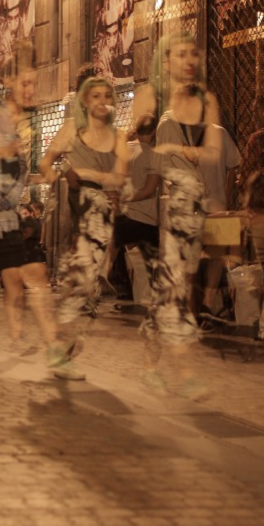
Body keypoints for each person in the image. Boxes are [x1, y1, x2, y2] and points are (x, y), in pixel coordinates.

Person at [0, 40, 80, 380]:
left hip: (12, 217)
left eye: (33, 83)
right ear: (8, 82)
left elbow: (20, 174)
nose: (30, 89)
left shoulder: (28, 124)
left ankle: (55, 352)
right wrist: (0, 151)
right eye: (24, 82)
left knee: (37, 277)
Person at [129, 31, 223, 398]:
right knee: (176, 292)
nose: (188, 61)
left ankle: (153, 366)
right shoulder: (155, 105)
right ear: (166, 62)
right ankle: (184, 374)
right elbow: (150, 154)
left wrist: (180, 152)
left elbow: (213, 152)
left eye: (193, 54)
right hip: (176, 209)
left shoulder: (205, 102)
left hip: (197, 206)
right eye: (180, 55)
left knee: (173, 292)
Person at [39, 77, 131, 334]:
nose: (102, 102)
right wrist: (65, 171)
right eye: (96, 96)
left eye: (106, 96)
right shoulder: (72, 128)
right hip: (80, 192)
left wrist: (116, 191)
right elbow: (45, 163)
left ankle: (87, 293)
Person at [109, 123, 160, 298]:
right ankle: (142, 295)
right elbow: (149, 190)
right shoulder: (154, 156)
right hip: (145, 215)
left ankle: (126, 290)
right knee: (144, 263)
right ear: (154, 131)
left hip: (124, 213)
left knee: (130, 256)